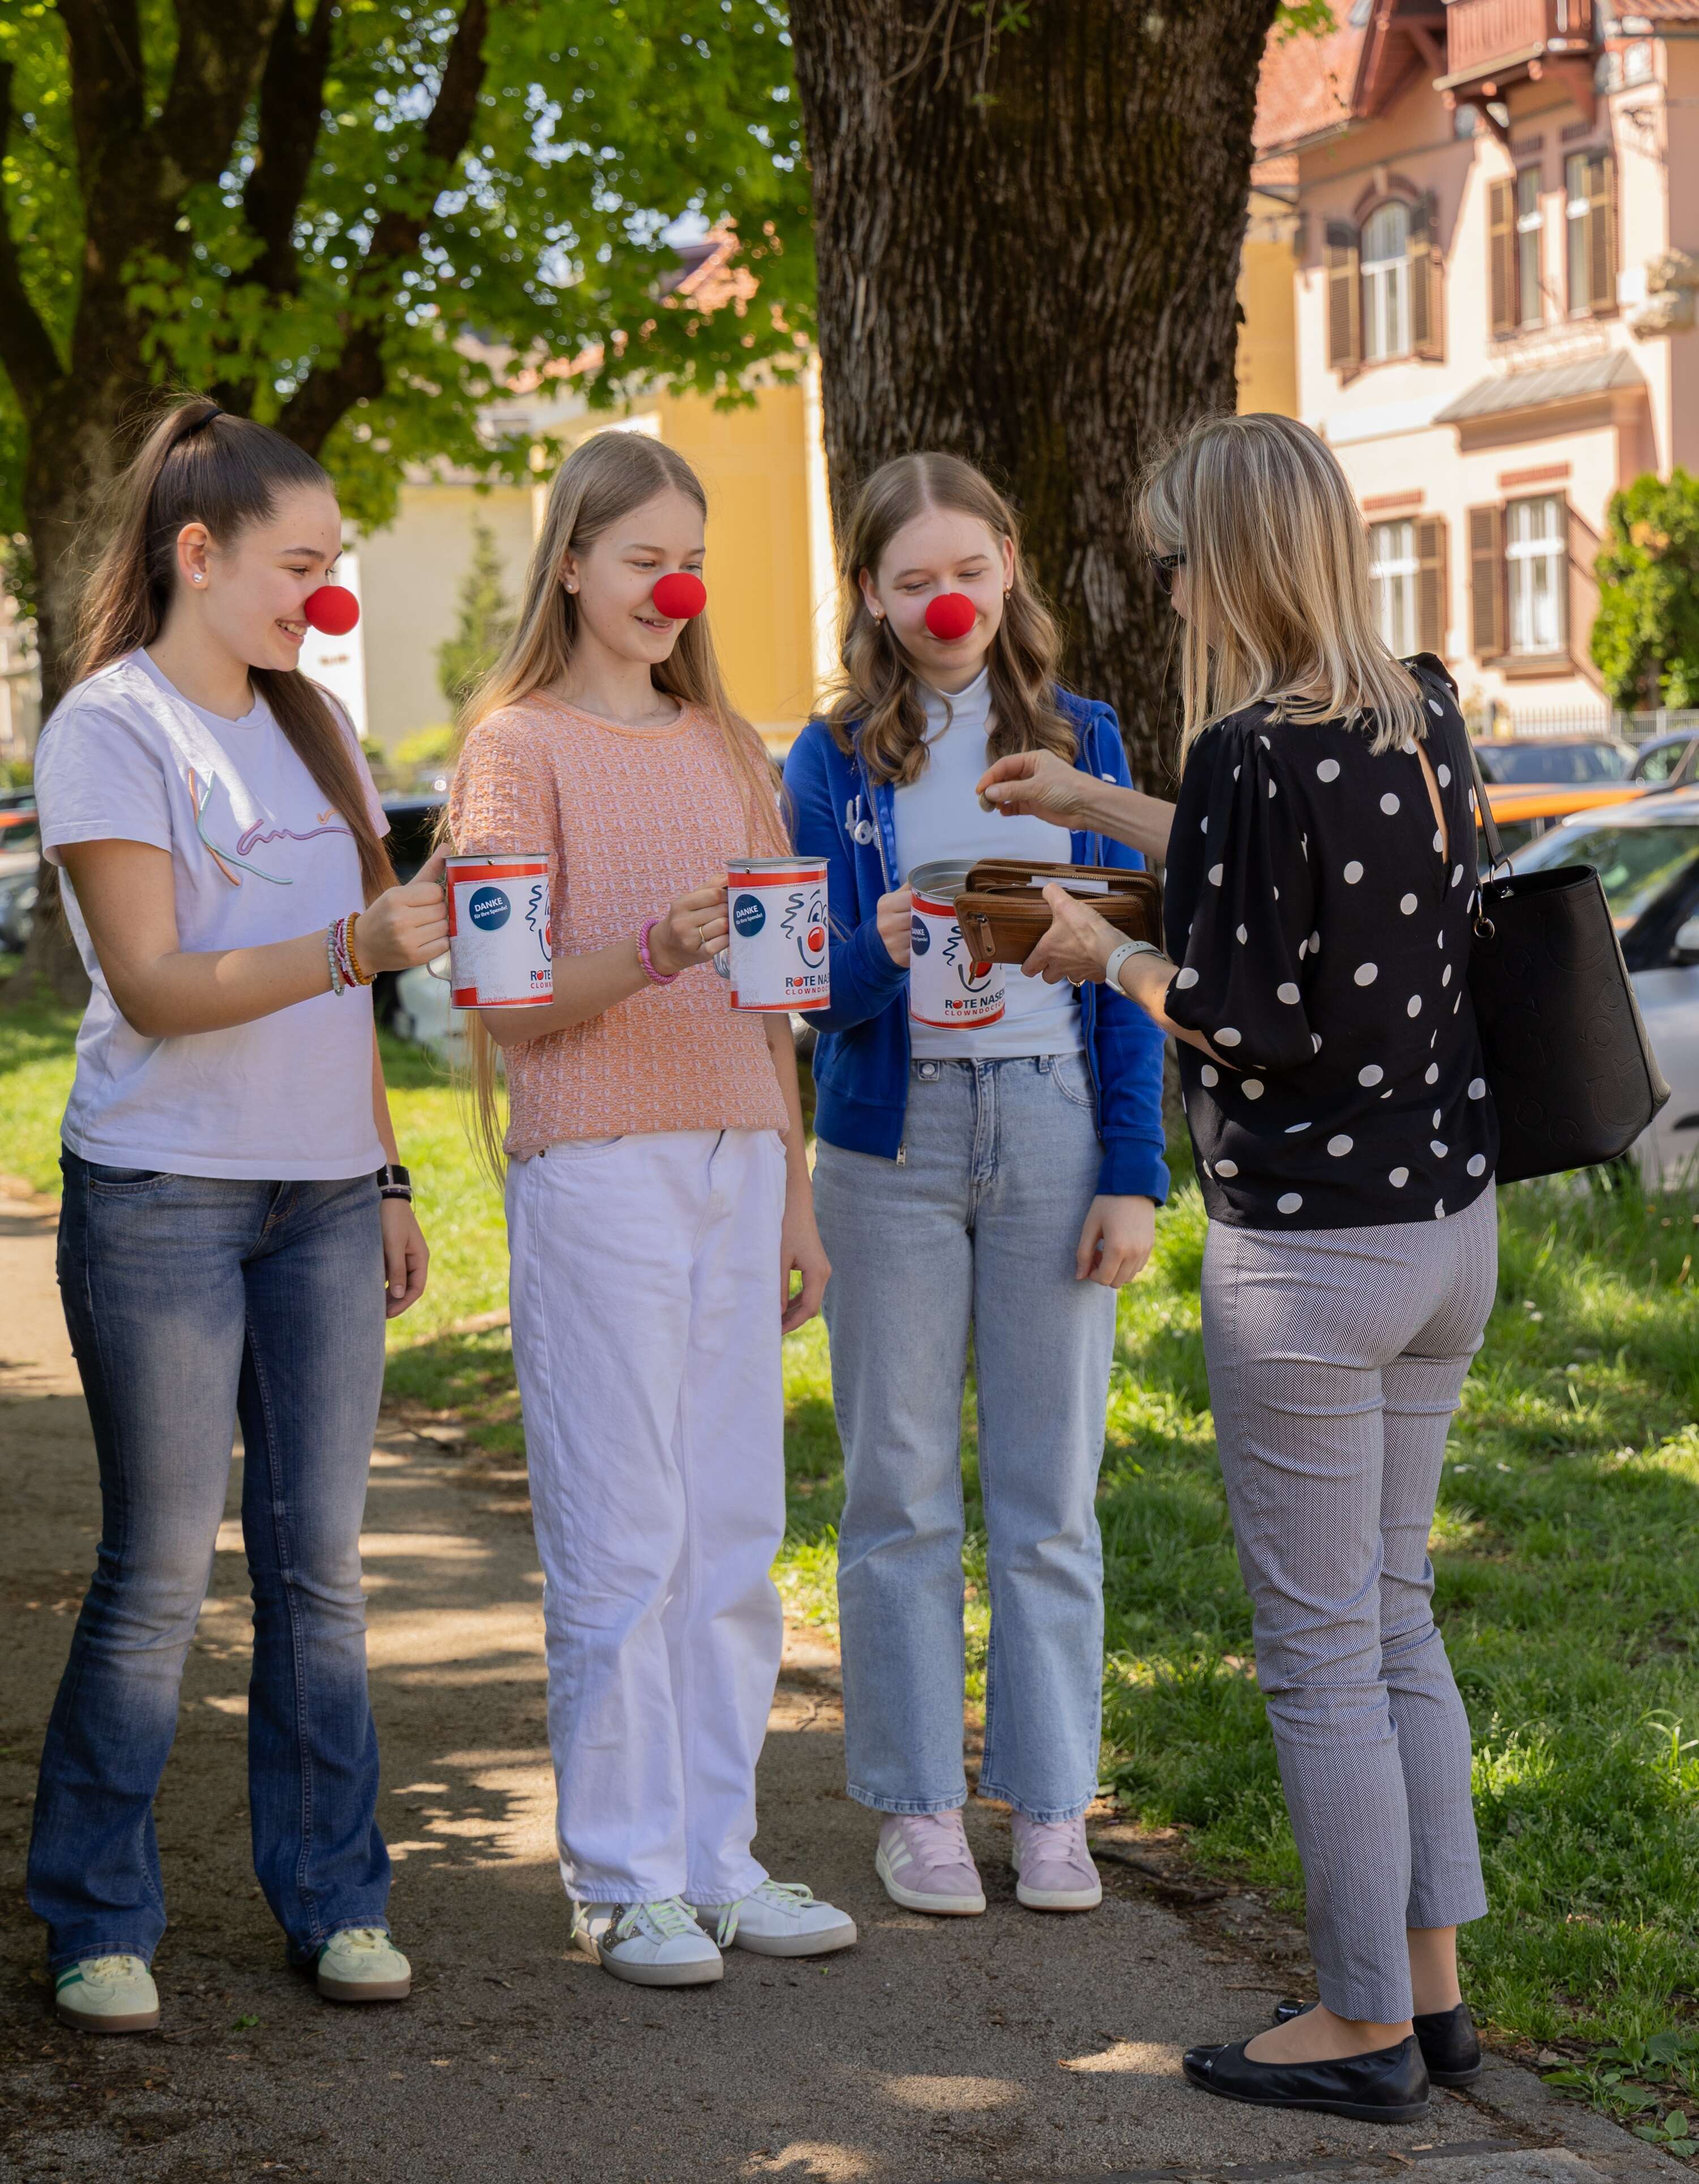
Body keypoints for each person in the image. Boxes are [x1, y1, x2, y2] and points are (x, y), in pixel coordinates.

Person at [983, 413, 1496, 2125]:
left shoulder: (1256, 749)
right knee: (1399, 1618)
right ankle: (1432, 1993)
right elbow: (1269, 871)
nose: (1176, 584)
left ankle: (1357, 2026)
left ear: (1237, 558)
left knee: (1322, 1653)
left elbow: (1256, 1005)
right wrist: (1082, 803)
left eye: (1181, 557)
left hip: (1313, 1261)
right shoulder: (1415, 705)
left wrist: (1096, 958)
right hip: (1447, 1238)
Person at [28, 399, 447, 2034]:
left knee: (321, 1572)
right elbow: (154, 982)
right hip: (161, 1202)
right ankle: (95, 1914)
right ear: (196, 557)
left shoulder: (316, 726)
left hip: (326, 1201)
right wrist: (359, 945)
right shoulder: (109, 730)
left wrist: (391, 1170)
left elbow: (351, 1003)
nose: (321, 601)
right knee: (155, 1573)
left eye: (334, 569)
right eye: (298, 567)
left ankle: (338, 1900)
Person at [445, 430, 855, 1987]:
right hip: (596, 1162)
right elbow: (509, 1006)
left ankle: (719, 1859)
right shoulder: (513, 748)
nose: (676, 585)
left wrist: (798, 1199)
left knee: (736, 1531)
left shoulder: (729, 748)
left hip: (739, 1161)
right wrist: (653, 952)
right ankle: (623, 1879)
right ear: (571, 563)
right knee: (626, 1533)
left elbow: (781, 1006)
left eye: (690, 555)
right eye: (643, 557)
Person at [783, 453, 1168, 1921]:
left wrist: (1130, 1176)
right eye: (910, 580)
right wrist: (874, 941)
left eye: (966, 569)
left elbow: (1127, 964)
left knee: (1049, 1494)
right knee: (896, 1491)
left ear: (1009, 563)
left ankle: (1053, 1807)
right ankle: (919, 1807)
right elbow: (808, 984)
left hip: (1054, 1127)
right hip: (891, 1147)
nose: (943, 602)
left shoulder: (1083, 738)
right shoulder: (831, 756)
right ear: (871, 599)